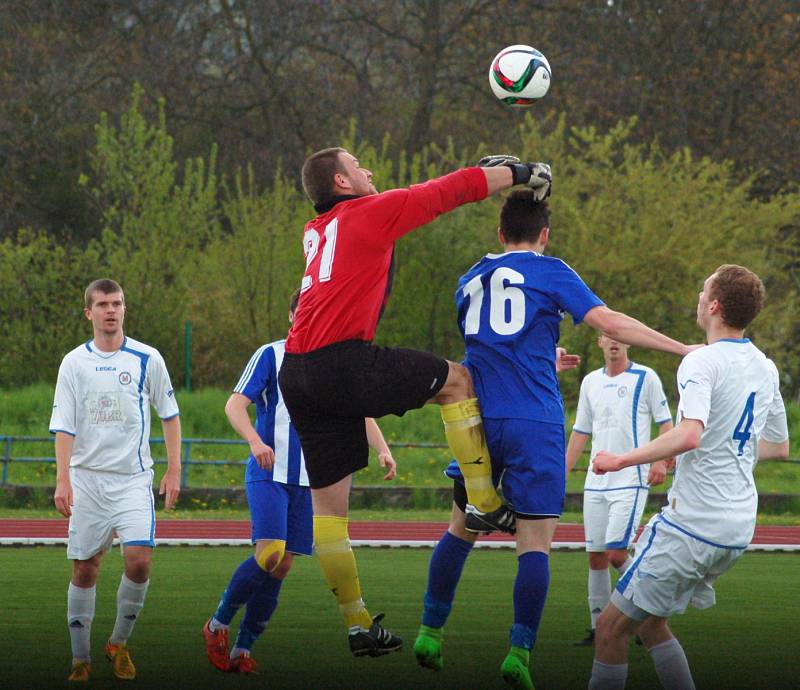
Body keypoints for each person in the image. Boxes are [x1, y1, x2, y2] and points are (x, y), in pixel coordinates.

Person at [411, 186, 697, 690]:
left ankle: (430, 632)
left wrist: (545, 353)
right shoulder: (551, 270)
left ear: (499, 234)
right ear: (544, 235)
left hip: (478, 419)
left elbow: (490, 347)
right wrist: (681, 348)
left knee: (460, 528)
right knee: (534, 545)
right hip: (535, 423)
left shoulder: (470, 279)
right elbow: (608, 321)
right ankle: (519, 651)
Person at [277, 147, 555, 655]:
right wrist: (517, 173)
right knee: (459, 382)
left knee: (330, 513)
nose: (370, 172)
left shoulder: (315, 231)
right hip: (342, 360)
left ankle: (359, 624)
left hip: (296, 371)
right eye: (359, 166)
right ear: (341, 182)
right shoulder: (366, 211)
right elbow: (445, 193)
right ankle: (486, 502)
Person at [588, 264, 789, 690]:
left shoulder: (701, 361)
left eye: (703, 291)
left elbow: (690, 434)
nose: (698, 298)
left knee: (608, 629)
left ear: (714, 305)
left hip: (693, 525)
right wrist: (717, 452)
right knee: (649, 623)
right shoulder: (765, 367)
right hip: (738, 527)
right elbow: (776, 446)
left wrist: (623, 460)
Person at [202, 290, 397, 673]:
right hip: (269, 472)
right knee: (270, 553)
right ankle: (217, 624)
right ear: (293, 315)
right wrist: (255, 441)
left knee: (283, 566)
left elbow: (359, 412)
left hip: (310, 479)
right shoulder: (271, 354)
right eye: (304, 311)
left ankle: (243, 650)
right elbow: (234, 404)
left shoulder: (333, 364)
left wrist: (382, 449)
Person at [49, 279, 181, 682]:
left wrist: (174, 469)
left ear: (124, 309)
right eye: (103, 304)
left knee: (139, 560)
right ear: (89, 313)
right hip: (87, 480)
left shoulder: (147, 357)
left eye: (117, 303)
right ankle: (80, 659)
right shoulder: (74, 363)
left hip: (132, 480)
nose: (111, 310)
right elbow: (64, 426)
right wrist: (62, 479)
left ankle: (118, 643)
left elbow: (169, 414)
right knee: (86, 569)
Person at [566, 336, 673, 646]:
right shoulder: (590, 382)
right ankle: (598, 628)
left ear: (628, 342)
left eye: (619, 338)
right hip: (596, 480)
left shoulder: (645, 377)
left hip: (631, 477)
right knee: (596, 557)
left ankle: (646, 613)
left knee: (616, 553)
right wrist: (560, 473)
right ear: (599, 342)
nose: (613, 343)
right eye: (608, 338)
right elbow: (580, 432)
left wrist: (661, 461)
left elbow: (666, 425)